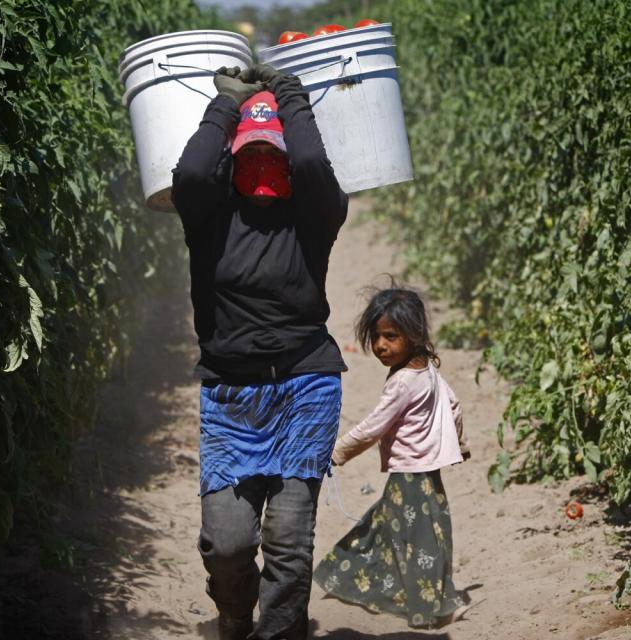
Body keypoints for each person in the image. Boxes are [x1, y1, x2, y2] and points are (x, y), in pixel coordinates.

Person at [171, 63, 348, 640]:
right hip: (231, 395)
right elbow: (192, 169)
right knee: (228, 544)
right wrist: (228, 105)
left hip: (304, 388)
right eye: (252, 153)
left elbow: (313, 163)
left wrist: (290, 94)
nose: (266, 164)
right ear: (234, 158)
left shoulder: (313, 216)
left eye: (274, 152)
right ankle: (232, 612)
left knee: (289, 543)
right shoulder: (210, 219)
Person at [313, 286, 471, 628]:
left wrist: (335, 453)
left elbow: (374, 427)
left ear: (413, 336)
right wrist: (460, 442)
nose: (381, 345)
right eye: (376, 336)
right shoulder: (426, 366)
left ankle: (434, 606)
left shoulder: (402, 382)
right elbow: (453, 404)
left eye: (391, 336)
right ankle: (437, 600)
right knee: (410, 532)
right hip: (427, 474)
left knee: (414, 540)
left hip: (409, 474)